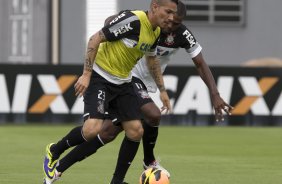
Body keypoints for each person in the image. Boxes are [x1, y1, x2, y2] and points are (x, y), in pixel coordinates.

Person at [44, 1, 233, 183]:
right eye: (168, 15)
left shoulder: (171, 32)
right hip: (125, 77)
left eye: (176, 21)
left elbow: (176, 61)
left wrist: (165, 90)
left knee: (110, 132)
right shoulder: (140, 20)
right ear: (157, 8)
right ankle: (148, 161)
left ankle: (60, 167)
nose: (170, 23)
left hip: (129, 81)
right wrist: (88, 71)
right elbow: (105, 29)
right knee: (151, 114)